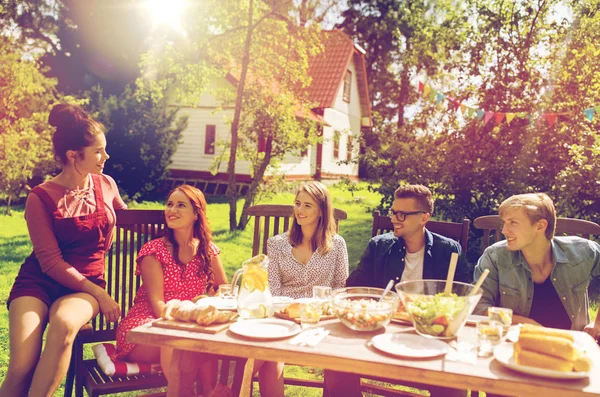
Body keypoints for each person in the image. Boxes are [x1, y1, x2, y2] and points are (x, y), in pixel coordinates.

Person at [0, 104, 127, 397]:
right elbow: (51, 262)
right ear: (73, 155)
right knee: (21, 366)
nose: (105, 157)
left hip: (85, 287)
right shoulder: (40, 197)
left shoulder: (106, 184)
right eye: (98, 151)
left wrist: (189, 227)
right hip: (39, 282)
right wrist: (102, 296)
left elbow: (132, 222)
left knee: (64, 323)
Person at [325, 184, 469, 397]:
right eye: (393, 212)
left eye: (402, 214)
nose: (394, 219)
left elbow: (464, 300)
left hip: (430, 337)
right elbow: (352, 289)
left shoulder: (448, 251)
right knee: (336, 366)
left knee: (453, 383)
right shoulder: (379, 246)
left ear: (424, 217)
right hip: (381, 332)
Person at [112, 185, 229, 395]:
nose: (171, 210)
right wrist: (191, 319)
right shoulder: (153, 251)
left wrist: (210, 306)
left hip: (188, 326)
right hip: (146, 327)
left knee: (198, 340)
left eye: (181, 205)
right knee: (177, 341)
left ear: (196, 214)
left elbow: (224, 290)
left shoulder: (207, 250)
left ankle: (208, 391)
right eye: (170, 204)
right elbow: (158, 306)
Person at [256, 181, 349, 397]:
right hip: (283, 319)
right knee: (263, 353)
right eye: (297, 203)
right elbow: (273, 290)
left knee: (341, 360)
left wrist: (323, 312)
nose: (299, 210)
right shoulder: (277, 244)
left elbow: (339, 289)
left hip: (322, 321)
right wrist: (287, 314)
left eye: (308, 205)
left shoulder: (337, 245)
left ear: (321, 211)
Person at [473, 193, 600, 337]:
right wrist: (528, 325)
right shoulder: (495, 257)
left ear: (540, 226)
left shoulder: (583, 252)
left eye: (513, 222)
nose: (504, 230)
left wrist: (598, 323)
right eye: (504, 223)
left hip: (573, 345)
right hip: (514, 345)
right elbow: (477, 306)